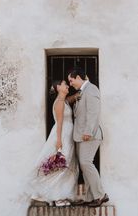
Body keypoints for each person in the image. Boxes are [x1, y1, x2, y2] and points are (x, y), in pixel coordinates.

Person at [28, 80, 79, 206]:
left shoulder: (64, 101)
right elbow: (60, 123)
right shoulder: (59, 103)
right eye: (64, 84)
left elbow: (70, 99)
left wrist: (80, 92)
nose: (67, 85)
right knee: (61, 165)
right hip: (62, 136)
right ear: (58, 87)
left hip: (67, 136)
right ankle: (57, 197)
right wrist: (59, 141)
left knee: (65, 166)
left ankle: (60, 194)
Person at [68, 68, 109, 207]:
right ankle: (89, 198)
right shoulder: (82, 91)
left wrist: (88, 131)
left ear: (78, 77)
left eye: (71, 80)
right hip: (81, 135)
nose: (70, 83)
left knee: (86, 163)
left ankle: (101, 195)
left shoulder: (91, 89)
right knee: (85, 166)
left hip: (90, 135)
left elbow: (93, 112)